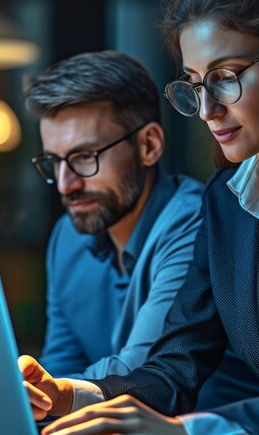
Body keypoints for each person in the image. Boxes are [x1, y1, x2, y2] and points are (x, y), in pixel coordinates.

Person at [22, 0, 259, 435]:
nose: (206, 110)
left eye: (226, 76)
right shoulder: (225, 203)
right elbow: (175, 365)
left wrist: (190, 433)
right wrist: (67, 395)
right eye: (196, 85)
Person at [21, 50, 210, 414]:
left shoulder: (193, 222)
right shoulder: (68, 237)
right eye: (54, 162)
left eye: (84, 157)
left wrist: (51, 398)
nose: (65, 185)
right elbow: (59, 369)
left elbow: (144, 376)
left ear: (149, 145)